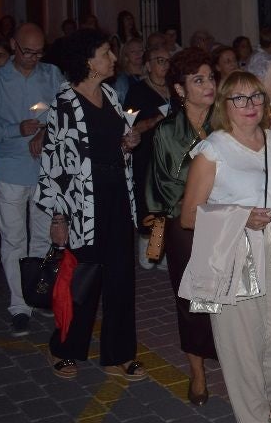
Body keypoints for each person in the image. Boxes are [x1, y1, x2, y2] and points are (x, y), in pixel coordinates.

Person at [181, 70, 271, 423]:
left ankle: (258, 403)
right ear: (225, 105)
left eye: (256, 97)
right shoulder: (212, 149)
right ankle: (255, 416)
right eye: (240, 98)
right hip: (235, 244)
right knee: (242, 344)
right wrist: (240, 217)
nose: (250, 105)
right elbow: (188, 216)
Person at [36, 30, 146, 381]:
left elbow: (116, 146)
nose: (113, 58)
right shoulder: (65, 103)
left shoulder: (111, 95)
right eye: (105, 53)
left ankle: (119, 354)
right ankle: (63, 347)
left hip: (115, 198)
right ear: (87, 61)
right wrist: (58, 216)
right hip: (82, 204)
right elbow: (54, 163)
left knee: (120, 280)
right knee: (83, 281)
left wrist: (129, 142)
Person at [0, 23, 63, 335]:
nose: (33, 58)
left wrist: (46, 130)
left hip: (45, 168)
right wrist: (16, 129)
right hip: (11, 168)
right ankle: (19, 304)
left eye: (38, 52)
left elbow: (66, 115)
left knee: (42, 236)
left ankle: (37, 295)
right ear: (13, 45)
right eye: (27, 52)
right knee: (14, 240)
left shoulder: (51, 74)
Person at [144, 47, 218, 406]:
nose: (208, 85)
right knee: (191, 301)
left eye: (211, 78)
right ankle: (198, 372)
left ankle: (238, 367)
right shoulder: (167, 133)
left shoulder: (227, 123)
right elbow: (166, 188)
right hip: (186, 227)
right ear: (179, 89)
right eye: (198, 80)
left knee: (233, 299)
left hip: (230, 221)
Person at [125, 44, 176, 268]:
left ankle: (158, 251)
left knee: (166, 204)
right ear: (148, 65)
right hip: (147, 155)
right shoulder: (137, 91)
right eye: (160, 60)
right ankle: (146, 246)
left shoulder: (175, 90)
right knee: (149, 202)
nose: (165, 65)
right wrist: (154, 121)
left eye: (167, 60)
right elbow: (129, 125)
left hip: (170, 156)